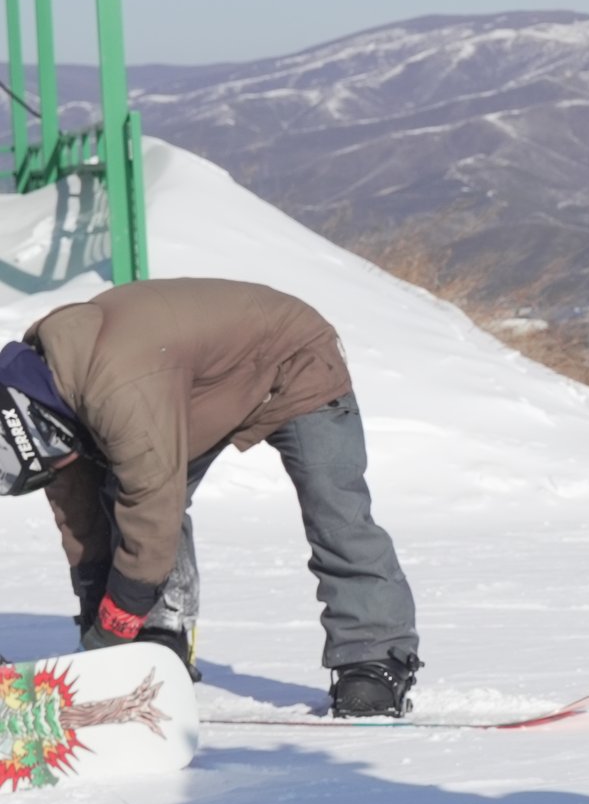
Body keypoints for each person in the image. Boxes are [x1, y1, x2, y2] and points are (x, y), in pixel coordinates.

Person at [0, 277, 423, 717]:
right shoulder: (45, 390)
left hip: (292, 358)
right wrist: (98, 616)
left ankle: (375, 655)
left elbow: (152, 504)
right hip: (198, 385)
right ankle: (159, 635)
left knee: (334, 511)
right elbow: (79, 512)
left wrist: (108, 637)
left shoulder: (116, 393)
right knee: (124, 495)